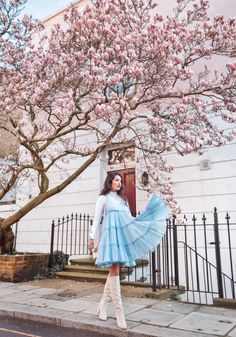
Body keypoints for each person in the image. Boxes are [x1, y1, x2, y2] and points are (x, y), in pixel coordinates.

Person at [88, 172, 169, 330]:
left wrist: (142, 221)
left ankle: (103, 305)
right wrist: (92, 238)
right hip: (110, 238)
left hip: (123, 237)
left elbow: (128, 218)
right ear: (110, 182)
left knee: (114, 272)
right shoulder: (103, 198)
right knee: (115, 271)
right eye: (116, 180)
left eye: (120, 181)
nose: (119, 182)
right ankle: (119, 313)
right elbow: (97, 219)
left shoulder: (123, 199)